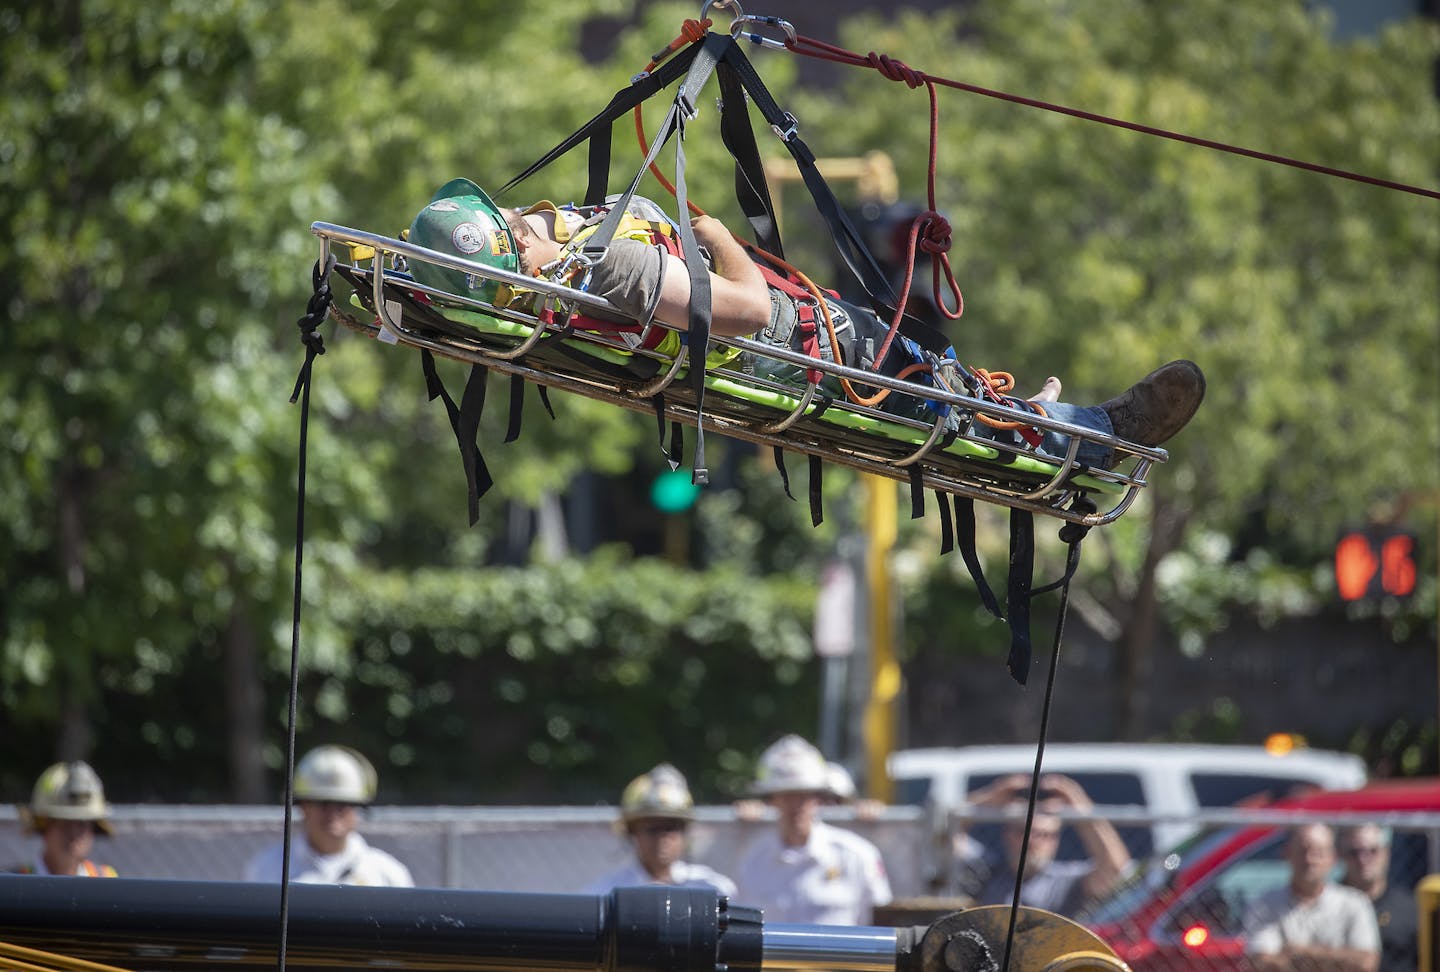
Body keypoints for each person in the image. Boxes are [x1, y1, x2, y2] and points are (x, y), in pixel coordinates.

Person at [406, 182, 1206, 473]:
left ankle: (1047, 414)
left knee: (948, 389)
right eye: (510, 218)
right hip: (810, 347)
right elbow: (746, 311)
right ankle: (1093, 432)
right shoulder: (615, 272)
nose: (521, 209)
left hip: (806, 349)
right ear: (519, 253)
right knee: (941, 395)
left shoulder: (574, 277)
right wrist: (717, 233)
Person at [733, 734, 893, 925]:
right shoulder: (752, 861)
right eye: (786, 795)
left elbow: (882, 923)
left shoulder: (857, 856)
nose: (796, 805)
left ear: (818, 797)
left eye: (804, 795)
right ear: (772, 799)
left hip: (842, 956)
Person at [950, 772, 1131, 918]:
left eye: (1044, 835)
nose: (1032, 841)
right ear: (1006, 834)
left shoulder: (1065, 881)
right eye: (1023, 831)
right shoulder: (989, 873)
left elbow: (1115, 869)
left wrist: (1079, 805)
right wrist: (991, 797)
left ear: (1056, 840)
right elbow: (944, 834)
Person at [243, 745, 414, 887]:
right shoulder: (268, 869)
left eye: (343, 804)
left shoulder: (387, 874)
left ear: (357, 809)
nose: (333, 814)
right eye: (323, 803)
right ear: (303, 807)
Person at [1242, 822, 1380, 972]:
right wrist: (1340, 959)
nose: (1310, 859)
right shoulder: (1265, 905)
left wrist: (1301, 953)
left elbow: (1366, 963)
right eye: (1303, 851)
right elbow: (1264, 963)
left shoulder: (1355, 903)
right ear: (1287, 853)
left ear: (1332, 858)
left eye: (1318, 852)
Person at [584, 763, 736, 896]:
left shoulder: (712, 888)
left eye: (671, 828)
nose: (663, 838)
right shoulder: (607, 892)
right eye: (652, 829)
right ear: (632, 833)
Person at [7, 761, 118, 877]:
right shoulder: (14, 884)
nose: (74, 832)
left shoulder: (106, 879)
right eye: (65, 823)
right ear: (43, 827)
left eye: (82, 823)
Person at [1340, 823, 1415, 972]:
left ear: (1386, 853)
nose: (1363, 858)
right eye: (1355, 852)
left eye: (1372, 851)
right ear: (1341, 855)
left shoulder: (1410, 907)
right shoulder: (1329, 904)